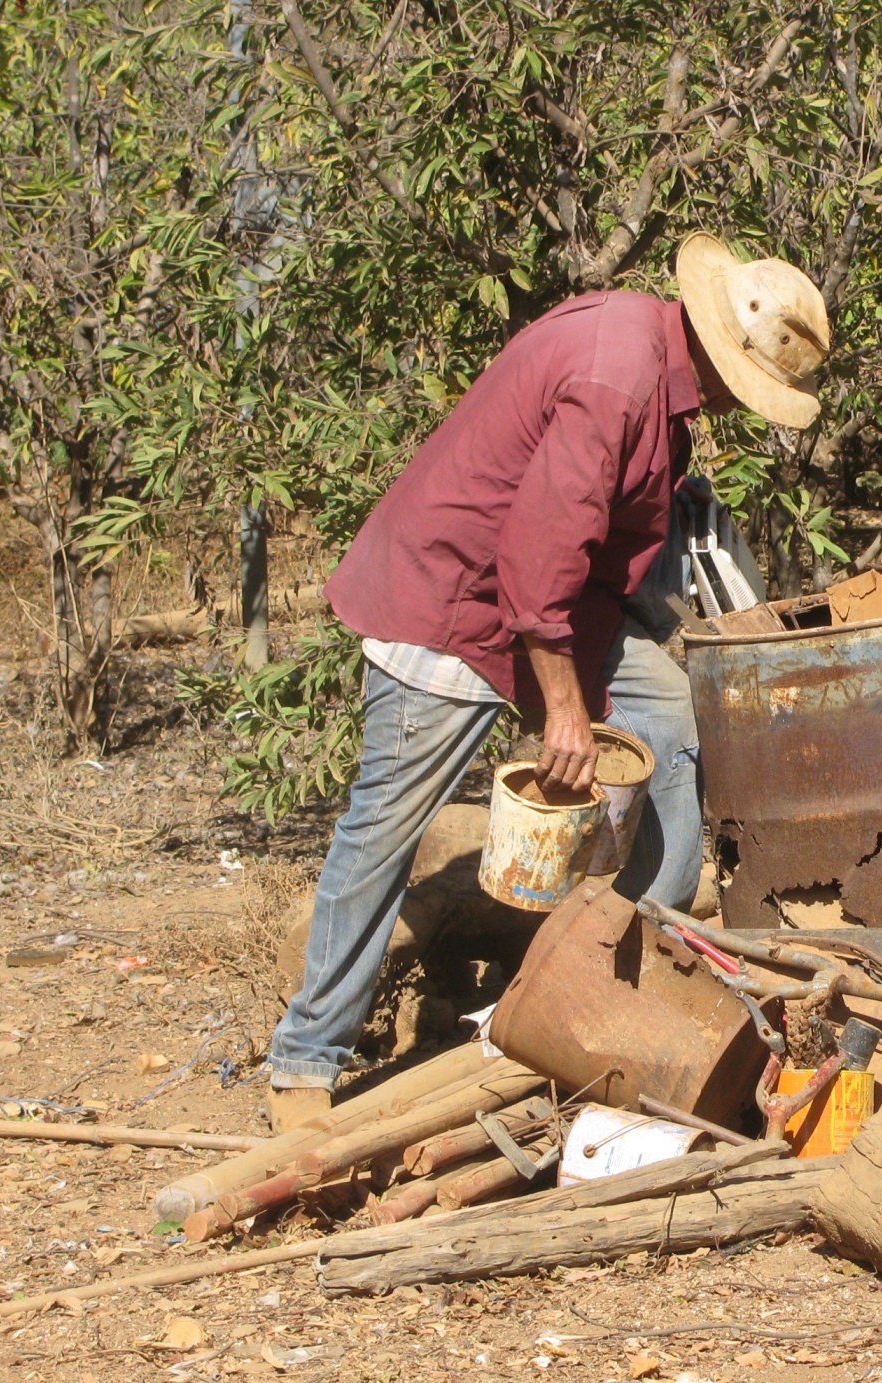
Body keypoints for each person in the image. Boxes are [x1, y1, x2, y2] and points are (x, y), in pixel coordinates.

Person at [264, 233, 832, 1131]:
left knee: (673, 729)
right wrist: (563, 712)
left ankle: (609, 986)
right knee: (382, 828)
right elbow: (536, 559)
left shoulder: (651, 355)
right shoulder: (619, 378)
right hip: (453, 604)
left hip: (558, 612)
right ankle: (304, 1061)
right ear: (729, 360)